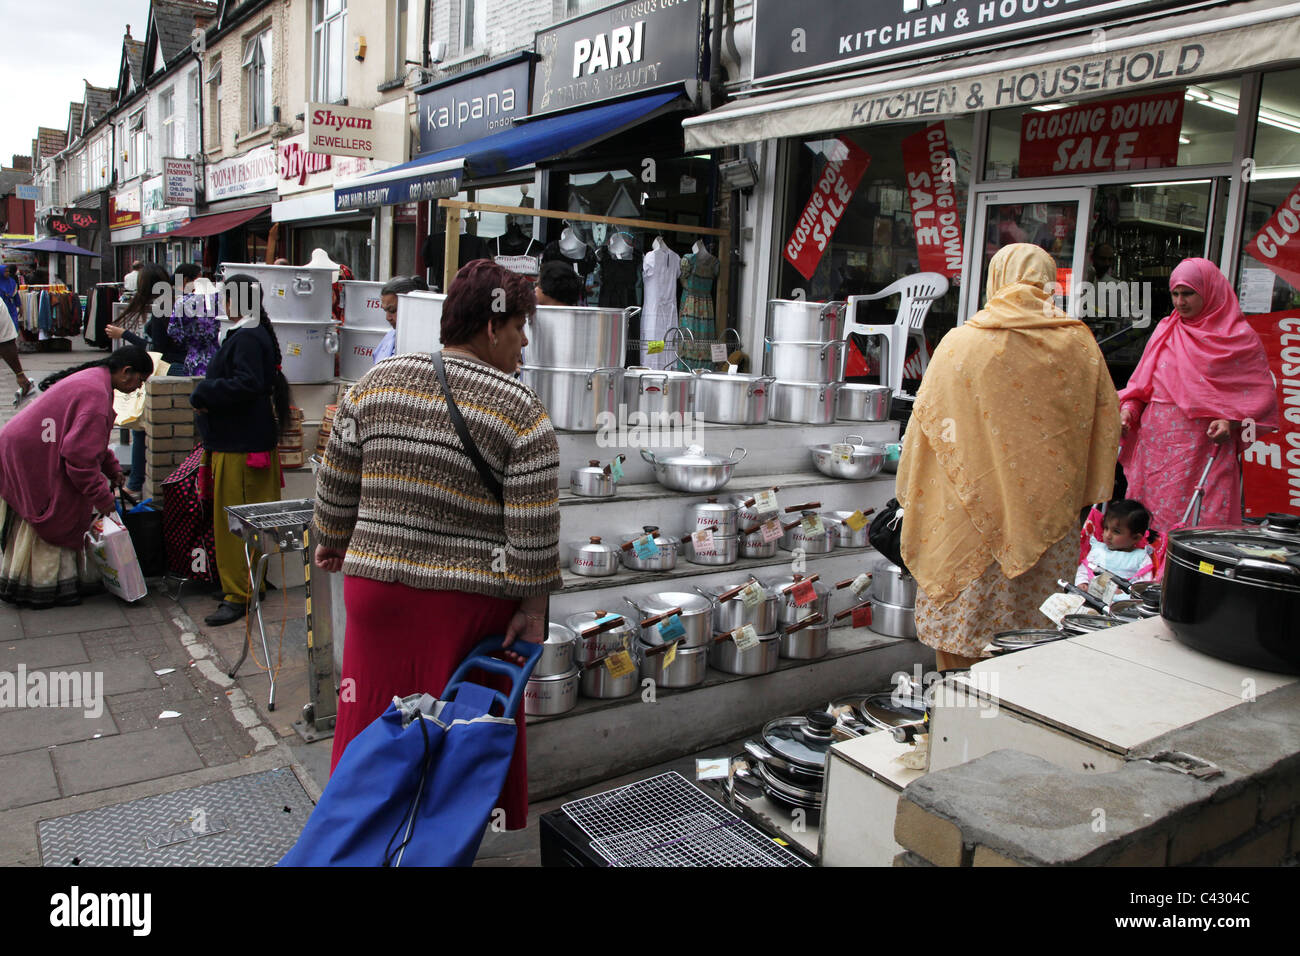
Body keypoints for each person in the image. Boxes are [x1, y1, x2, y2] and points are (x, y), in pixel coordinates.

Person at [313, 259, 561, 828]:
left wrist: (332, 537)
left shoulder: (376, 381)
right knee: (454, 736)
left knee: (373, 720)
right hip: (464, 606)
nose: (524, 341)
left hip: (376, 593)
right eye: (521, 326)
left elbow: (335, 474)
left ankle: (357, 836)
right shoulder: (521, 411)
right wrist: (533, 608)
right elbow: (534, 532)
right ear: (492, 327)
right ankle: (434, 844)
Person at [897, 244, 1121, 669]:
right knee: (1030, 644)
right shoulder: (1079, 343)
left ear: (996, 280)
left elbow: (923, 430)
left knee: (962, 638)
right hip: (1047, 522)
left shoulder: (960, 343)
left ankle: (957, 727)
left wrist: (914, 492)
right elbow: (1106, 426)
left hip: (965, 517)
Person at [1118, 258, 1279, 535]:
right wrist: (1128, 412)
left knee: (1197, 529)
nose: (1180, 302)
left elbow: (1259, 400)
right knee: (1146, 528)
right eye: (1175, 294)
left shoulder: (1239, 339)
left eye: (1189, 293)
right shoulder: (1166, 329)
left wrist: (1231, 422)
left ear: (1210, 291)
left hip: (1204, 452)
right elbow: (1141, 387)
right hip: (1155, 451)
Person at [0, 346, 153, 607]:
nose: (138, 388)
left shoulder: (96, 380)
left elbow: (89, 442)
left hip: (28, 444)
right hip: (30, 452)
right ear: (127, 372)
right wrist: (103, 498)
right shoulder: (96, 396)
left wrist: (112, 468)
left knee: (62, 504)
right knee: (56, 509)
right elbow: (79, 459)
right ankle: (44, 586)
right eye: (140, 380)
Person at [190, 274, 292, 627]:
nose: (222, 304)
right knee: (245, 521)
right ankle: (248, 583)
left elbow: (247, 383)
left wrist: (205, 393)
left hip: (241, 447)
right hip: (240, 442)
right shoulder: (249, 333)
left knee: (236, 523)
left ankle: (239, 594)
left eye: (226, 298)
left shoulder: (248, 337)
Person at [106, 262, 174, 493]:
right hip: (173, 372)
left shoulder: (161, 309)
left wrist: (124, 334)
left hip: (163, 372)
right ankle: (136, 482)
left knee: (139, 427)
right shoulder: (172, 303)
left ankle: (135, 483)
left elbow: (156, 347)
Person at [1075, 499, 1156, 586]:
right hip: (1091, 595)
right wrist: (1082, 582)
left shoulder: (1141, 558)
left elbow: (1142, 586)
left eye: (1116, 532)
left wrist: (1124, 592)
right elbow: (1084, 569)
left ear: (1135, 537)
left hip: (1122, 599)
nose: (1108, 535)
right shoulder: (1098, 550)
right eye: (1106, 528)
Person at [166, 263, 220, 376]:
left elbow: (173, 333)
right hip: (220, 362)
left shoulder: (182, 303)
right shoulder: (222, 300)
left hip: (194, 362)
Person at [0, 264, 34, 403]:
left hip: (10, 311)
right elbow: (6, 343)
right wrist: (19, 374)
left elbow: (6, 342)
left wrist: (19, 374)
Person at [371, 276, 418, 364]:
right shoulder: (390, 336)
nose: (387, 317)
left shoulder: (421, 342)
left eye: (392, 310)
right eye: (386, 311)